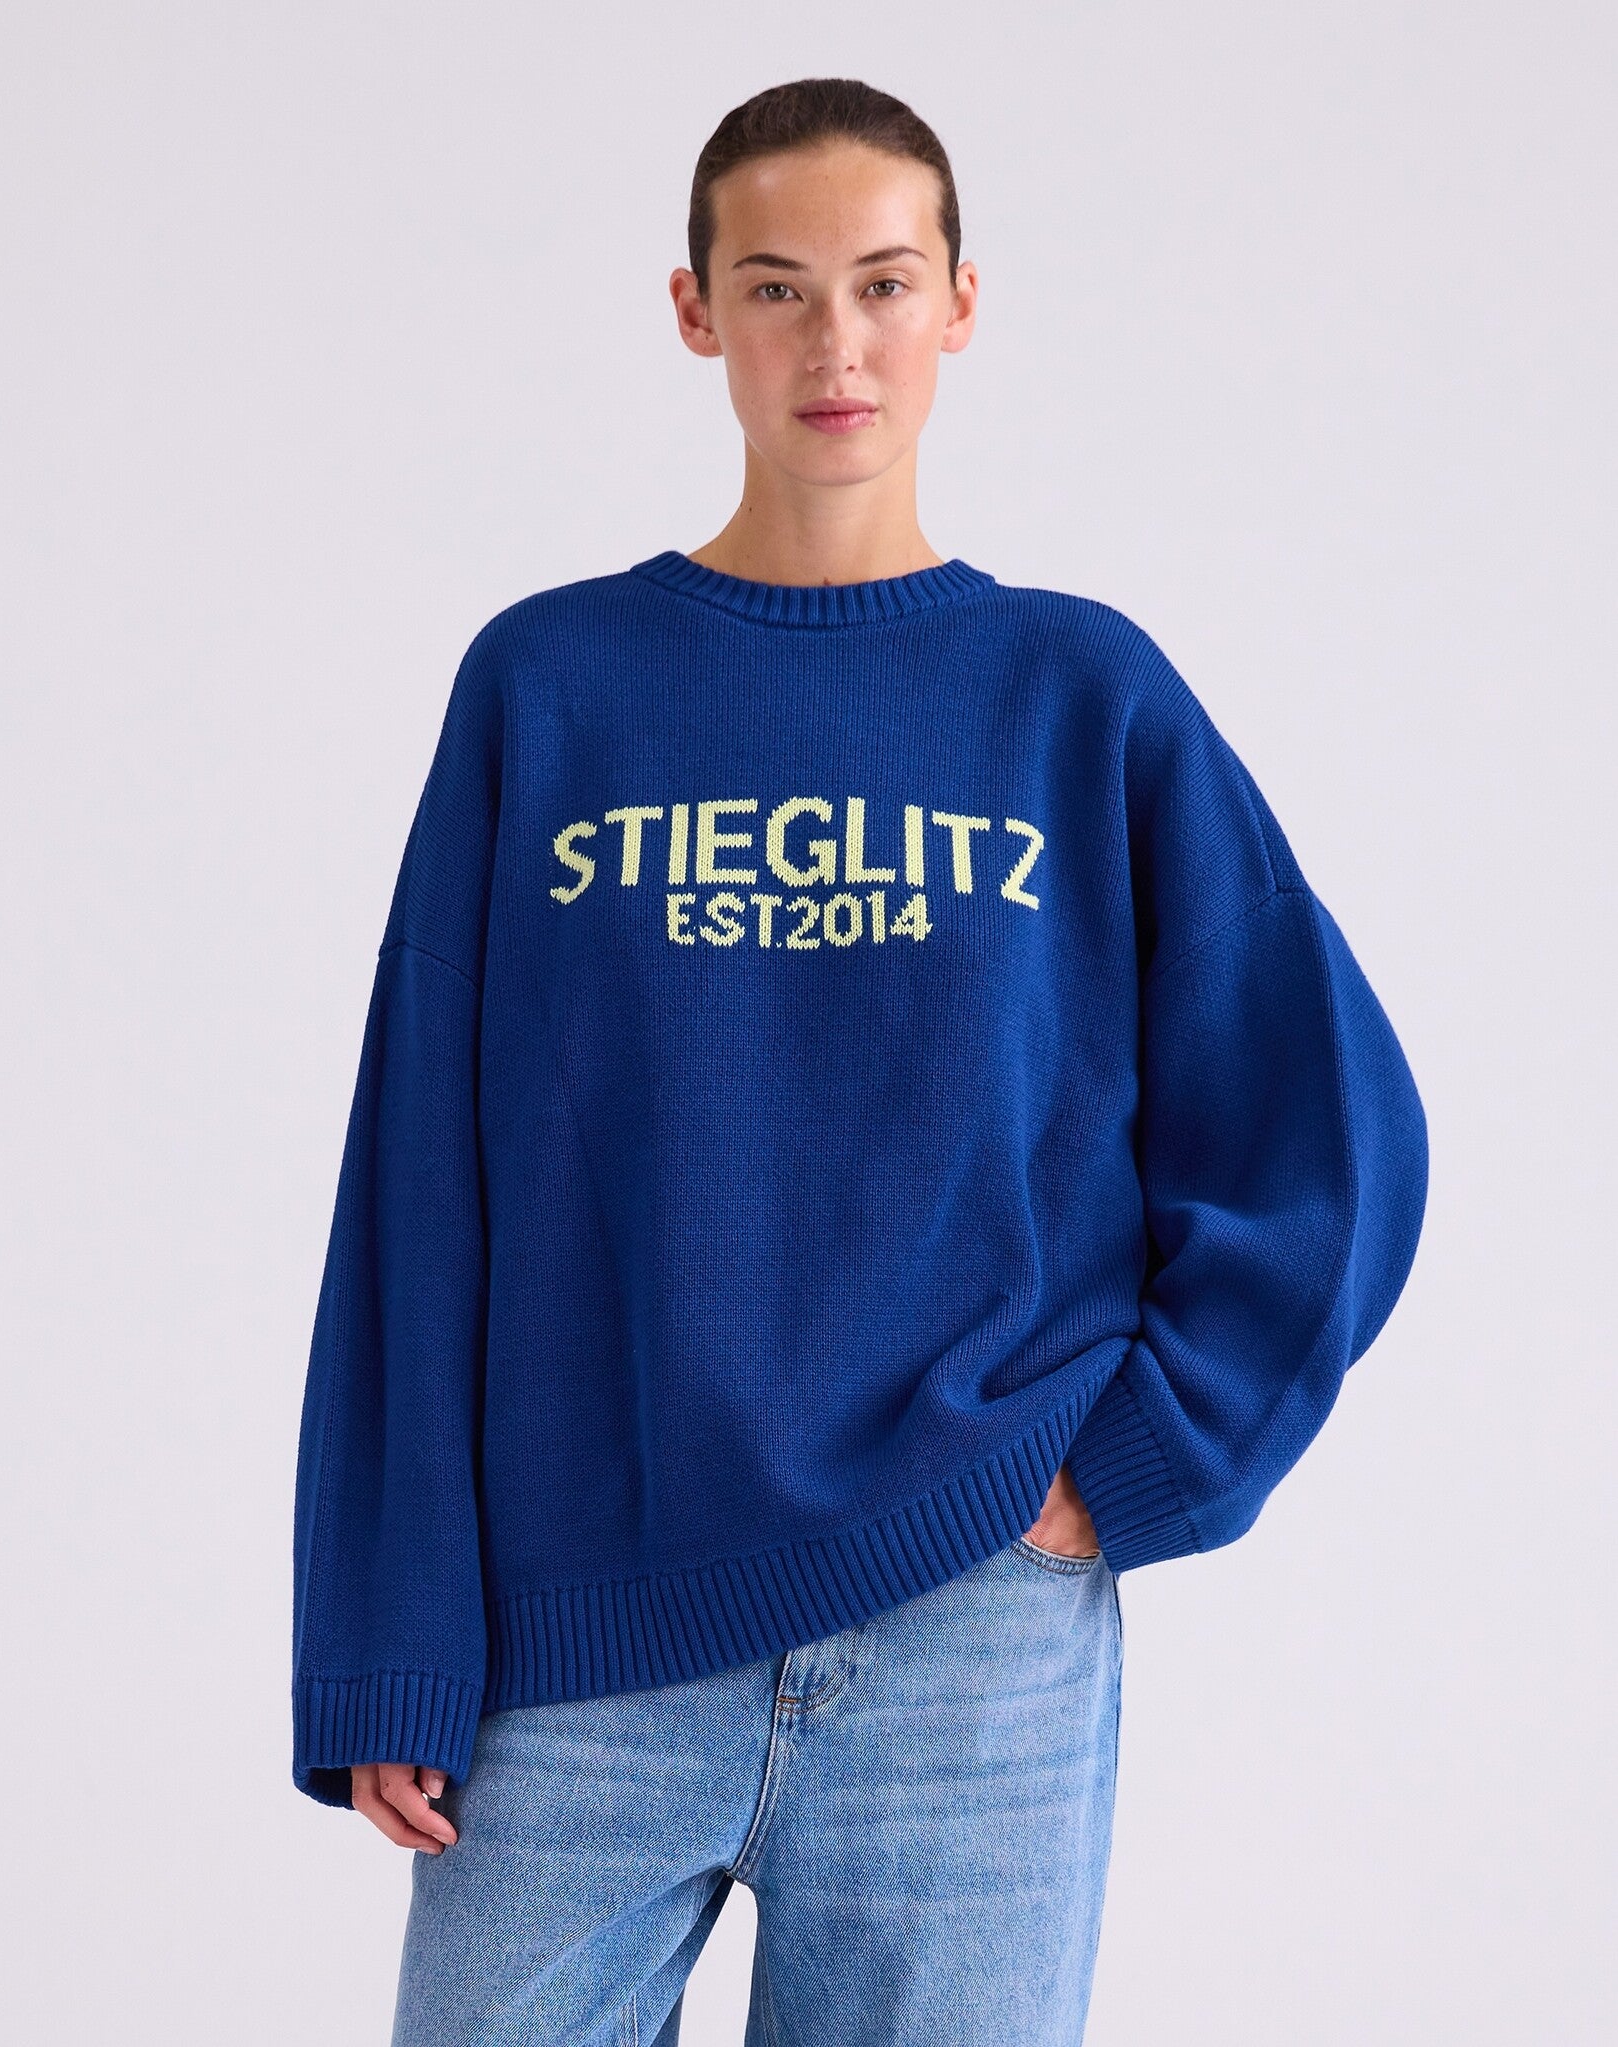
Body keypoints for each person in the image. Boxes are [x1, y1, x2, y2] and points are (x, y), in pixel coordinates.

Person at [291, 77, 1429, 2046]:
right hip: (578, 1635)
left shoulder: (1079, 696)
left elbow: (1329, 1128)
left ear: (962, 303)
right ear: (694, 310)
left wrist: (1134, 1462)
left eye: (885, 283)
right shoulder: (550, 688)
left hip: (970, 1636)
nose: (836, 342)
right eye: (779, 286)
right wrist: (390, 1637)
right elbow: (419, 1185)